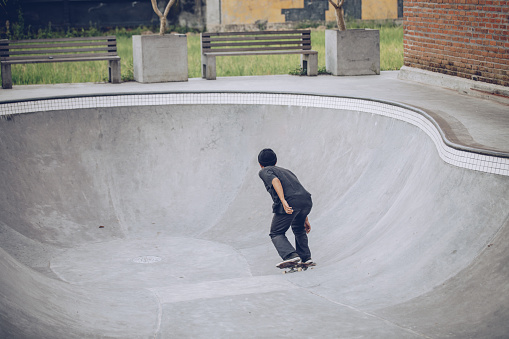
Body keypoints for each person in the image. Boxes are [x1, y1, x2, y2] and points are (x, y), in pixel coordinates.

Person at [257, 148, 313, 268]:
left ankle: (290, 256)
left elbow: (275, 181)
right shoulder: (287, 171)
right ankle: (306, 258)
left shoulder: (264, 171)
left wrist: (283, 200)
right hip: (306, 201)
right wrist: (305, 217)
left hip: (290, 201)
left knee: (276, 232)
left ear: (260, 164)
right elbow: (298, 190)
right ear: (276, 161)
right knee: (299, 228)